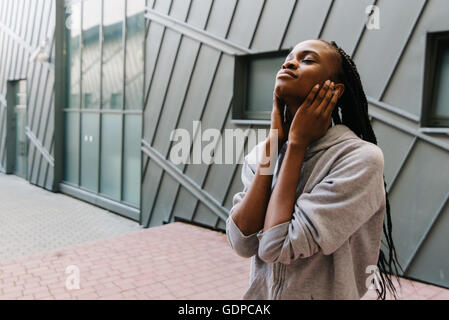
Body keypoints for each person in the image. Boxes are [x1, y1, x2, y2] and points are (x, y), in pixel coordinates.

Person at [226, 39, 402, 300]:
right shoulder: (262, 154)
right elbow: (242, 243)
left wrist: (296, 145)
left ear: (335, 90)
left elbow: (276, 248)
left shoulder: (360, 159)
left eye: (307, 60)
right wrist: (275, 144)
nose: (289, 63)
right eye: (289, 58)